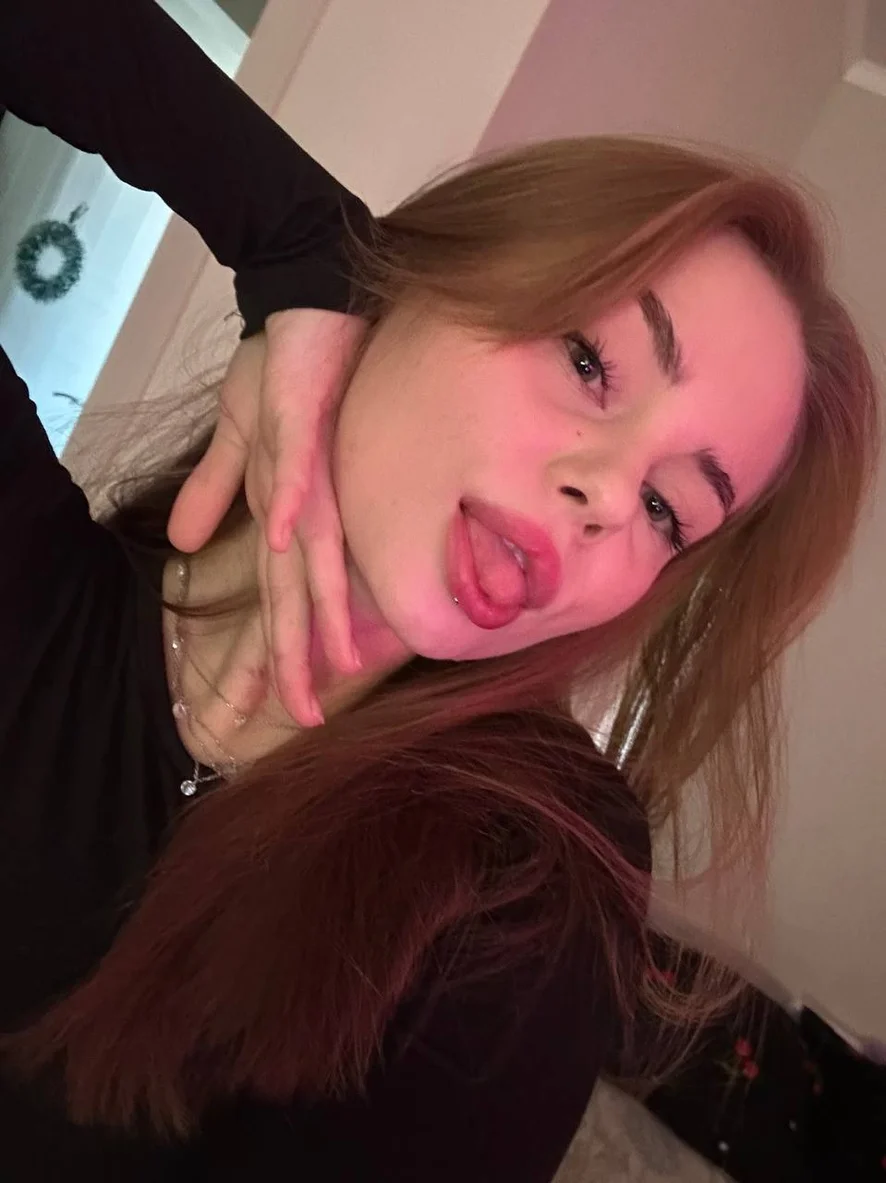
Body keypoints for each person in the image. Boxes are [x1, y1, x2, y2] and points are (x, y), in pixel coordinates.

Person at [0, 1, 878, 1181]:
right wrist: (295, 234)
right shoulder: (31, 574)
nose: (605, 496)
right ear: (418, 281)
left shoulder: (524, 888)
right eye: (589, 360)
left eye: (670, 511)